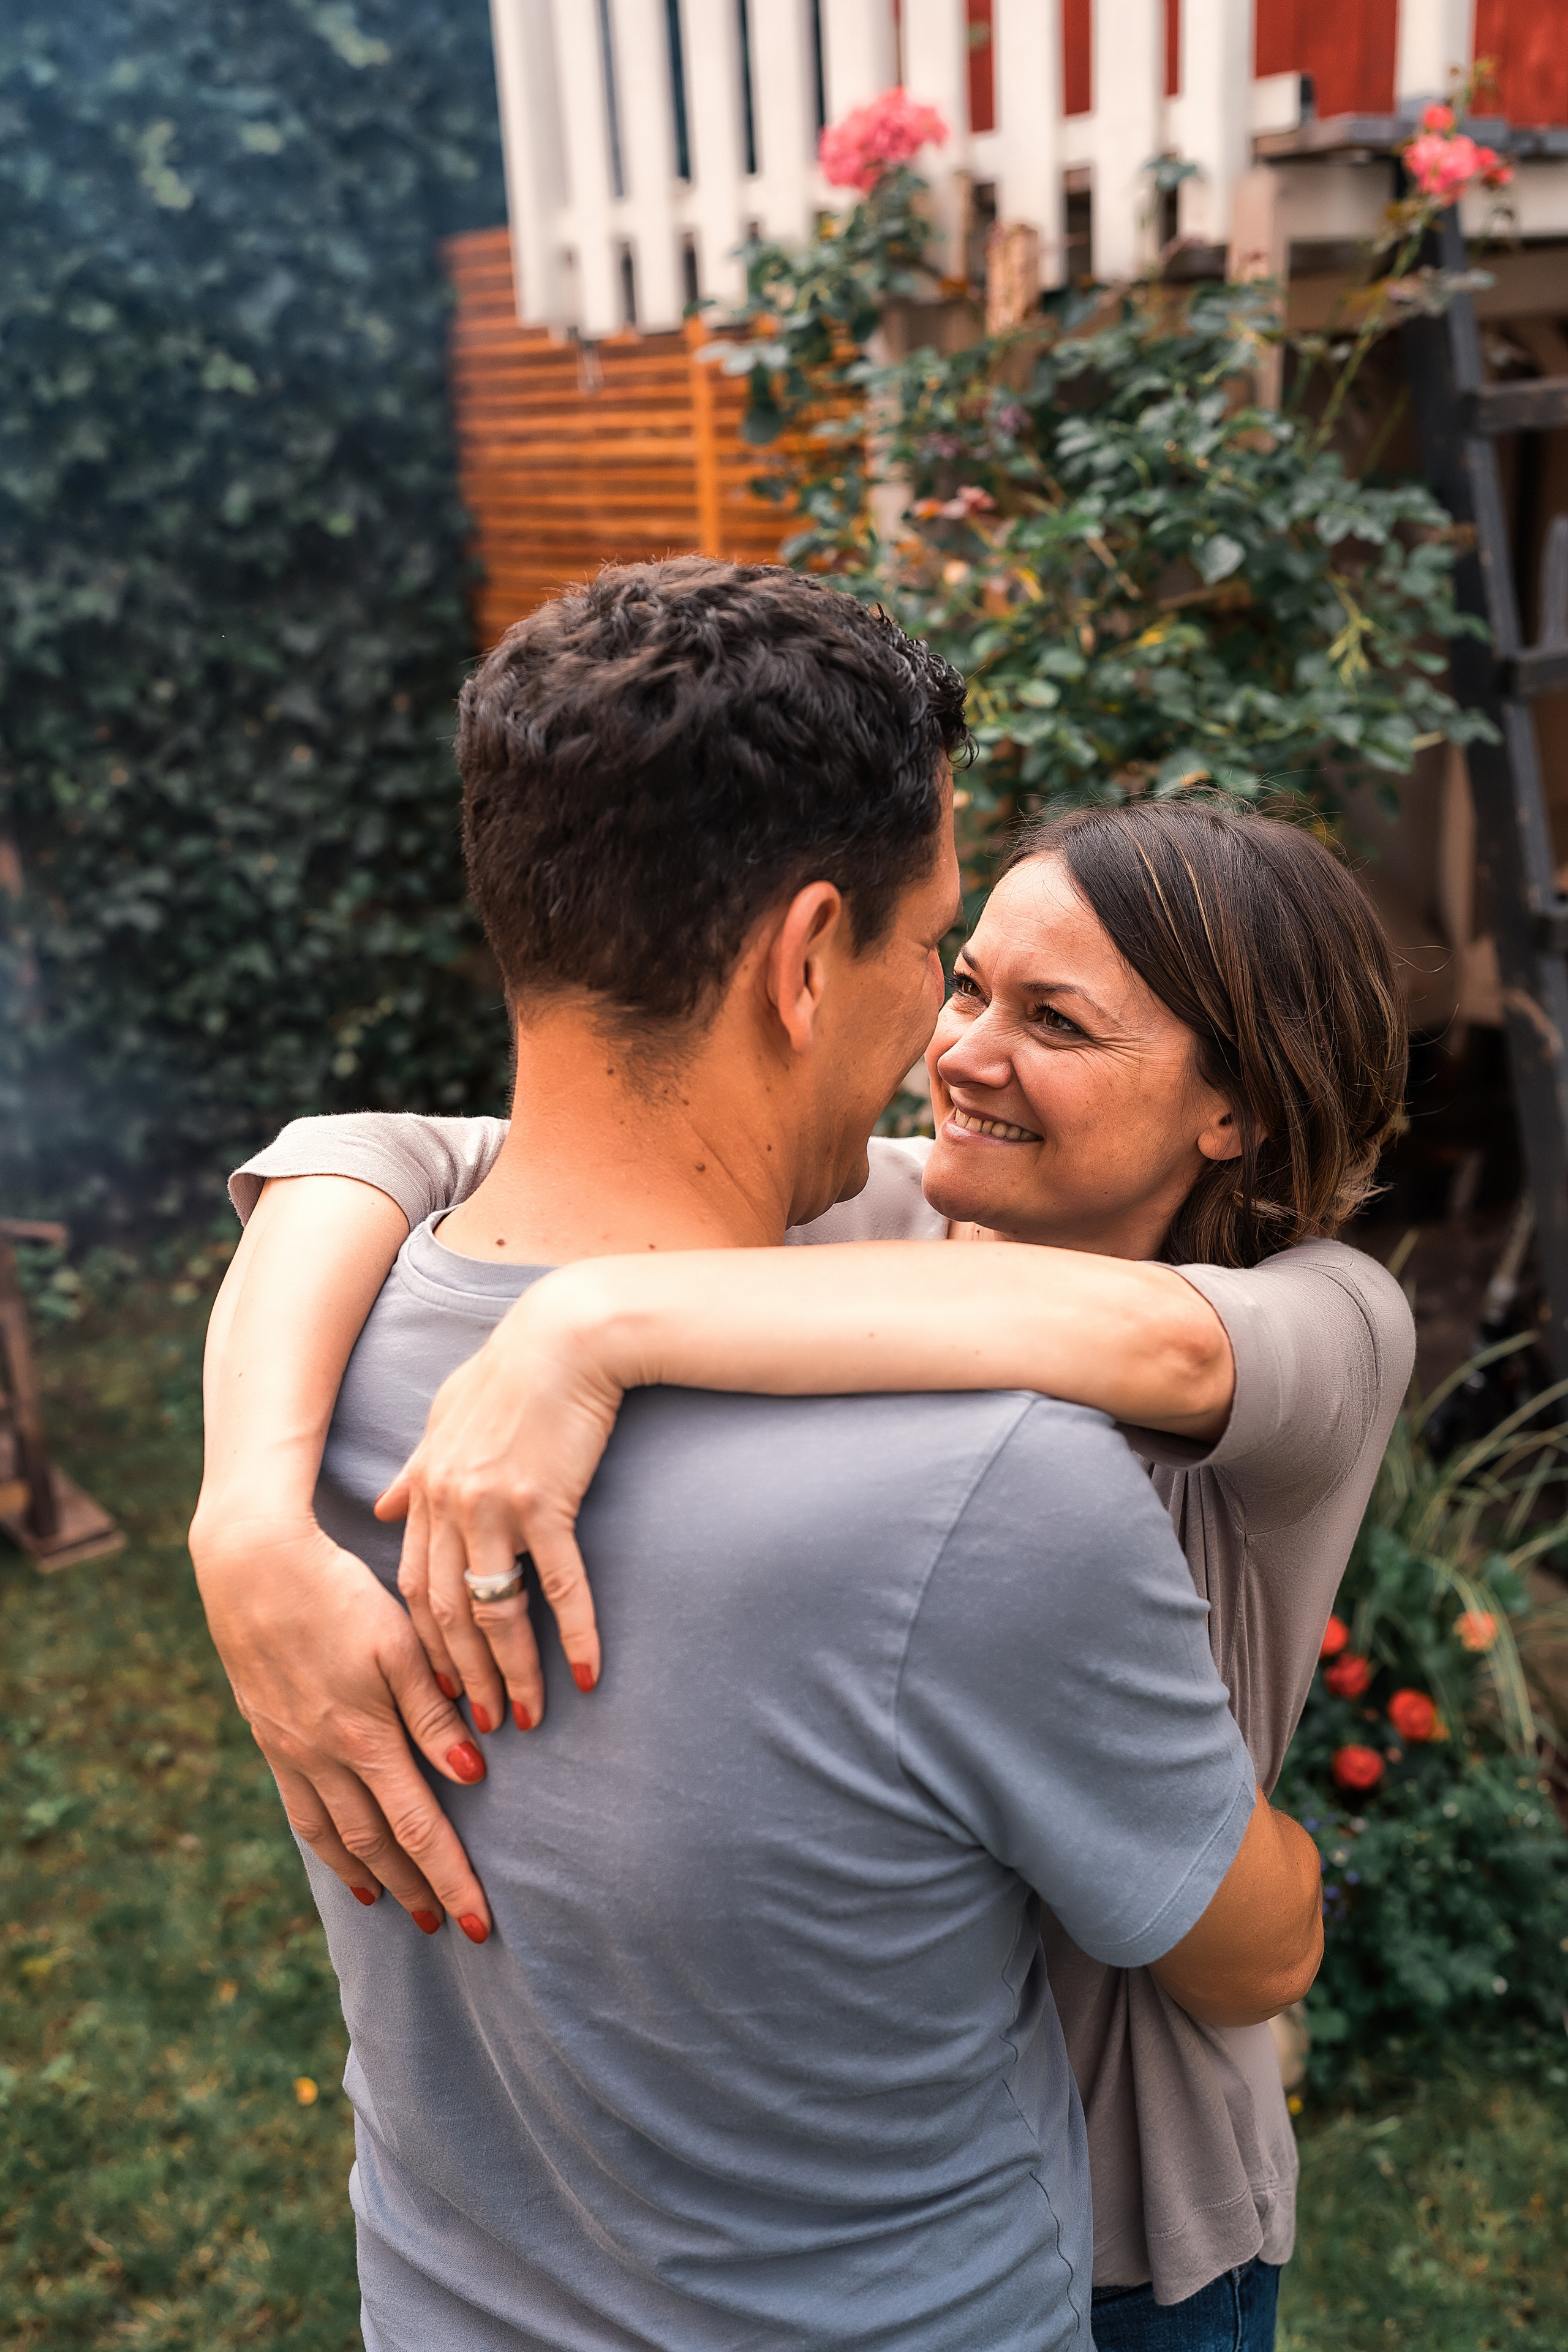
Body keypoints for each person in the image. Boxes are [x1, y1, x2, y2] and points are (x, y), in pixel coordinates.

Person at [194, 558, 1321, 2351]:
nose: (934, 1035)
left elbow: (367, 1154)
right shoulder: (983, 1491)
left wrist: (243, 1510)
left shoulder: (317, 1355)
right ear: (807, 959)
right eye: (929, 951)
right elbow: (1247, 1950)